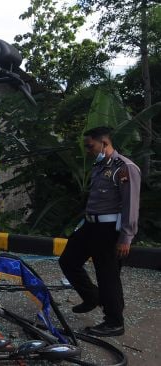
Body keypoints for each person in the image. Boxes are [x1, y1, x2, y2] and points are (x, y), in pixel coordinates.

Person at [59, 126, 141, 337]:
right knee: (68, 260)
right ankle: (92, 296)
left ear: (104, 143)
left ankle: (114, 322)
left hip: (109, 230)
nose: (88, 150)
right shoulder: (98, 166)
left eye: (90, 146)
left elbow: (130, 205)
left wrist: (126, 237)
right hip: (90, 225)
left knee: (108, 275)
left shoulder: (124, 168)